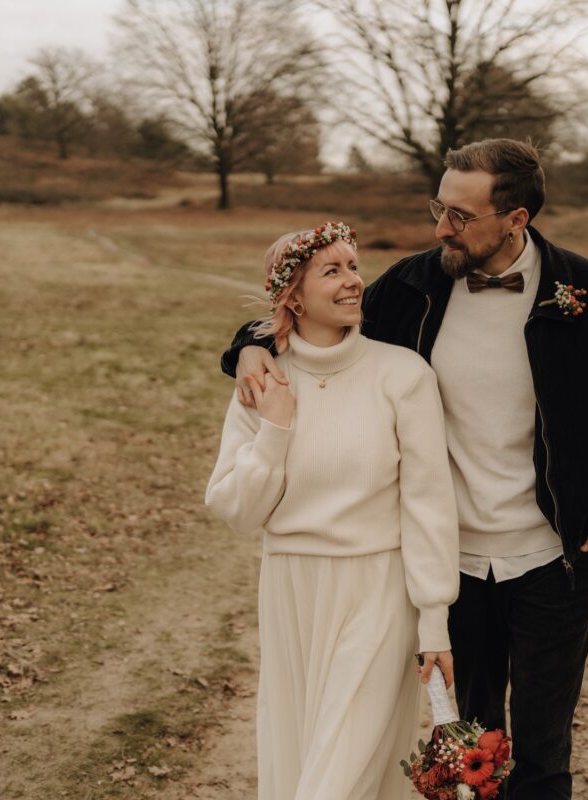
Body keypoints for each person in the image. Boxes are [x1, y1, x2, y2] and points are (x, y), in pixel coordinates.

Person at [224, 140, 588, 799]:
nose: (440, 229)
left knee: (543, 752)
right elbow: (315, 318)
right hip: (451, 559)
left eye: (460, 215)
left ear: (515, 219)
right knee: (471, 750)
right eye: (439, 208)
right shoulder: (412, 287)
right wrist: (247, 347)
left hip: (552, 559)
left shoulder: (583, 291)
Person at [204, 222, 460, 800]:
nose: (353, 281)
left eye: (354, 267)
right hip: (290, 590)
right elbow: (236, 509)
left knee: (340, 773)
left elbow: (428, 504)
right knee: (303, 760)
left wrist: (434, 619)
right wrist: (274, 430)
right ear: (293, 296)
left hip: (379, 589)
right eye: (332, 271)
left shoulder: (403, 375)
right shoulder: (261, 380)